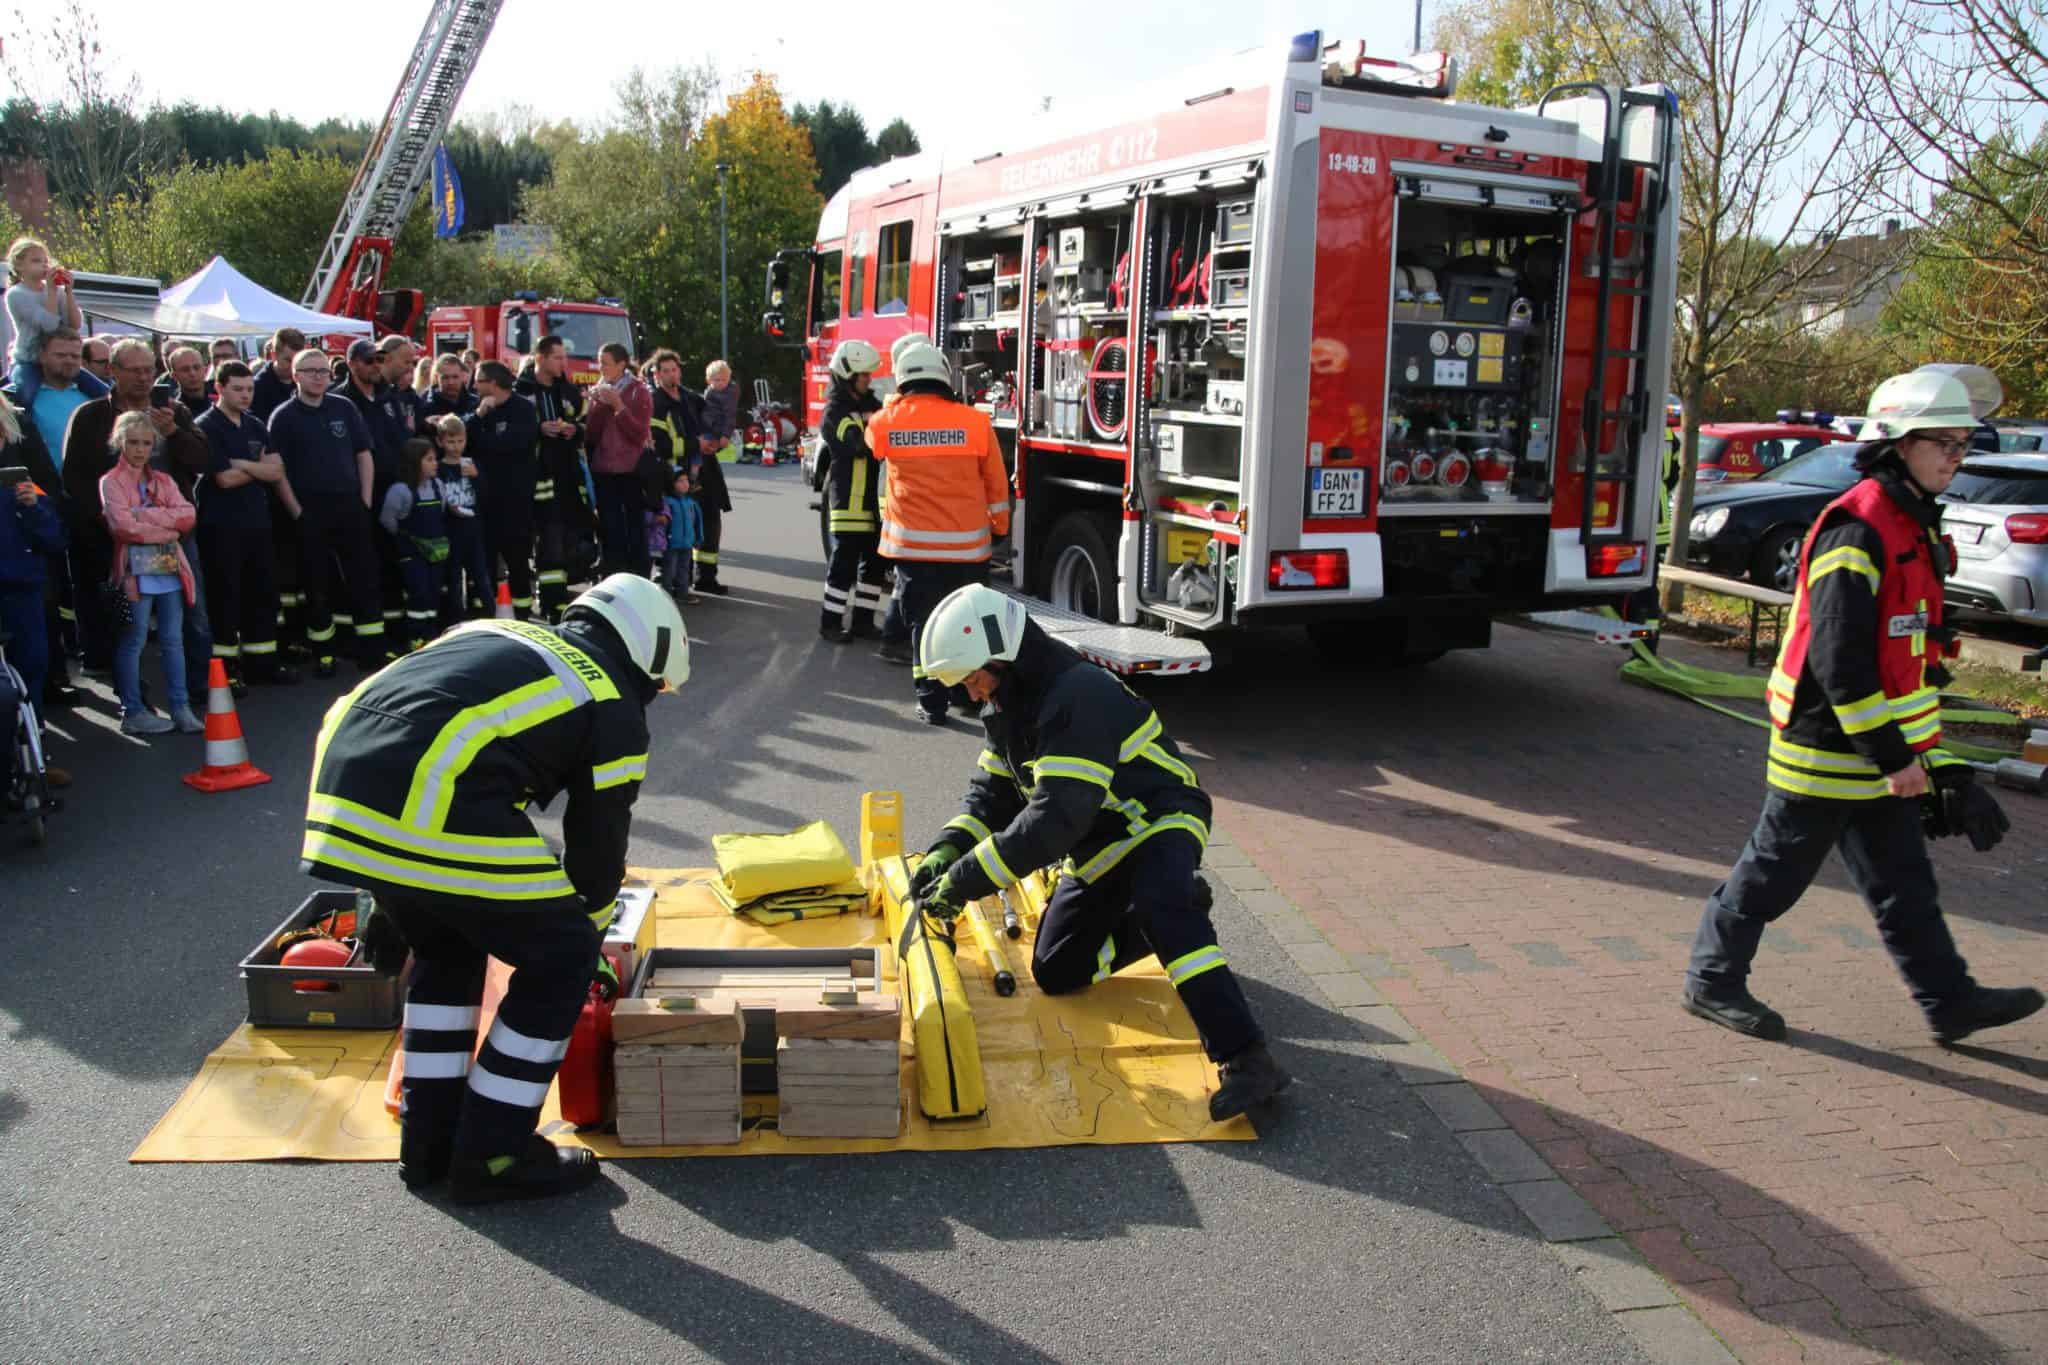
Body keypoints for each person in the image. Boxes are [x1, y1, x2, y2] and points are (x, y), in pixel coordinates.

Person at [301, 573, 688, 1203]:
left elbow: (419, 709)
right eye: (658, 687)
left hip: (343, 779)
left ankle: (428, 1145)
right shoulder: (608, 694)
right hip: (433, 791)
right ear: (651, 652)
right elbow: (597, 840)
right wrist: (587, 936)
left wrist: (383, 899)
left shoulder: (497, 632)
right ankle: (494, 1154)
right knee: (560, 958)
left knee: (448, 945)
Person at [1683, 370, 2044, 1045]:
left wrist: (1939, 765)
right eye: (1945, 443)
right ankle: (1711, 980)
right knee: (1771, 878)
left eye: (1964, 444)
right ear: (1899, 445)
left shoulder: (1911, 524)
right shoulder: (1857, 532)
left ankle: (1950, 1002)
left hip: (1878, 760)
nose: (1957, 457)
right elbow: (1841, 666)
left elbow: (1907, 666)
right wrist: (1898, 759)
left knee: (1905, 887)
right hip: (1825, 753)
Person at [910, 583, 1290, 1117]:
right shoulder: (1008, 705)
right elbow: (992, 796)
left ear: (1005, 658)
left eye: (974, 680)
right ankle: (1172, 912)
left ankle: (1247, 1058)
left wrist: (966, 881)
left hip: (1157, 817)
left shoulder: (1077, 696)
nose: (973, 696)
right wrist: (948, 850)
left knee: (1161, 902)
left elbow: (1054, 821)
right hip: (1101, 837)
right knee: (1057, 970)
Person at [865, 341, 1010, 725]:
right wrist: (999, 527)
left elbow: (872, 441)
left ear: (902, 380)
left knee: (924, 625)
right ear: (944, 377)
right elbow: (996, 483)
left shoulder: (886, 421)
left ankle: (931, 703)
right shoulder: (976, 422)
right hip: (968, 552)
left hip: (913, 550)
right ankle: (970, 695)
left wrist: (895, 402)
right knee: (970, 624)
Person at [63, 339, 208, 678]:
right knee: (129, 620)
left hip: (172, 538)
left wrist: (173, 432)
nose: (144, 378)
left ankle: (199, 682)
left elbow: (202, 461)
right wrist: (110, 519)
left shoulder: (175, 412)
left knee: (191, 611)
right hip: (120, 538)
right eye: (135, 371)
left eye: (149, 370)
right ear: (113, 371)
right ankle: (128, 686)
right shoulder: (91, 416)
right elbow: (75, 478)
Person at [265, 346, 384, 676]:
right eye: (310, 371)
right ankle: (325, 652)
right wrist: (297, 511)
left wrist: (365, 501)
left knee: (364, 578)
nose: (318, 377)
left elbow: (364, 455)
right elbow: (277, 470)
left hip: (349, 505)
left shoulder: (344, 407)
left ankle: (372, 650)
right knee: (316, 584)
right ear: (295, 376)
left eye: (323, 371)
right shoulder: (283, 417)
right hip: (309, 510)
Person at [194, 361, 297, 691]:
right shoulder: (206, 427)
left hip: (257, 523)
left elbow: (277, 470)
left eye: (250, 389)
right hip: (221, 526)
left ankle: (262, 662)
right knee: (226, 596)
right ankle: (226, 668)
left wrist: (243, 464)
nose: (245, 395)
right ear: (219, 388)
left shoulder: (255, 425)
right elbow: (223, 479)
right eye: (237, 389)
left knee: (262, 593)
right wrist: (257, 467)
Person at [99, 411, 202, 735]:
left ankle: (181, 707)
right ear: (120, 443)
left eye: (146, 443)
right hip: (135, 571)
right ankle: (133, 711)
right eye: (133, 442)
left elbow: (187, 515)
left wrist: (144, 516)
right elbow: (122, 527)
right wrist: (166, 526)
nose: (140, 450)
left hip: (168, 567)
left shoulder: (163, 480)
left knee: (173, 640)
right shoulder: (110, 481)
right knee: (134, 640)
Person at [816, 340, 889, 643]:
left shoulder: (872, 405)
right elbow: (857, 444)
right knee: (843, 567)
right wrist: (876, 424)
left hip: (872, 502)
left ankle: (863, 622)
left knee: (874, 564)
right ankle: (830, 623)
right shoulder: (834, 411)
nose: (868, 379)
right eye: (864, 375)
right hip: (848, 501)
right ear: (848, 375)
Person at [1, 457, 67, 784]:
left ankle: (34, 758)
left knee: (31, 669)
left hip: (22, 593)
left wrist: (33, 509)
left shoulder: (22, 485)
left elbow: (55, 540)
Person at [516, 335, 589, 619]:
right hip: (533, 478)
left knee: (561, 540)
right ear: (540, 358)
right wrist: (538, 430)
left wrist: (574, 430)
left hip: (565, 477)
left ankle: (556, 602)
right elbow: (512, 430)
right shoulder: (521, 391)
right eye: (558, 357)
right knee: (541, 541)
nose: (564, 363)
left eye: (564, 357)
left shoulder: (567, 391)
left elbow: (584, 422)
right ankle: (540, 603)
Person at [466, 361, 542, 619]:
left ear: (493, 383)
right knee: (484, 564)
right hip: (484, 502)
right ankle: (485, 616)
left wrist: (484, 443)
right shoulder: (478, 408)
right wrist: (478, 416)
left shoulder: (523, 409)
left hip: (514, 502)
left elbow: (509, 446)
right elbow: (464, 439)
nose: (474, 385)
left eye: (479, 381)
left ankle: (522, 616)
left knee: (517, 562)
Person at [5, 237, 107, 409]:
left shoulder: (56, 290)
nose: (44, 265)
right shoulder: (16, 294)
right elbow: (49, 326)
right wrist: (51, 291)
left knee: (102, 391)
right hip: (29, 359)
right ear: (19, 266)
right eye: (36, 261)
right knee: (25, 394)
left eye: (46, 261)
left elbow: (74, 324)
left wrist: (68, 291)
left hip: (60, 358)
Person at [380, 439, 460, 651]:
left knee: (433, 593)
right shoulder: (400, 491)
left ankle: (430, 634)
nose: (435, 463)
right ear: (414, 462)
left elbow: (441, 512)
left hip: (436, 554)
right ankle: (414, 637)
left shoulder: (438, 486)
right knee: (419, 593)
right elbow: (388, 520)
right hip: (411, 554)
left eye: (435, 459)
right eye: (429, 459)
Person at [584, 342, 653, 577]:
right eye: (599, 363)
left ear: (621, 365)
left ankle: (638, 576)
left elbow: (638, 433)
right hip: (603, 468)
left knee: (634, 525)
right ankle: (611, 573)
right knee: (608, 526)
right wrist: (596, 406)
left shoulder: (638, 391)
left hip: (630, 469)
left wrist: (618, 405)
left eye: (605, 363)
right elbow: (592, 434)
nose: (600, 368)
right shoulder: (600, 388)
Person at [429, 413, 492, 619]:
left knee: (481, 576)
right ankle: (456, 619)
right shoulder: (438, 468)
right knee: (453, 579)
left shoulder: (471, 464)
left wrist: (477, 477)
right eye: (450, 442)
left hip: (473, 529)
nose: (456, 447)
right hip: (451, 530)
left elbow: (485, 495)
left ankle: (492, 615)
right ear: (440, 441)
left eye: (460, 441)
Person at [661, 466, 701, 602]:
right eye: (680, 481)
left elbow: (697, 522)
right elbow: (664, 525)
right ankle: (666, 595)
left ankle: (682, 593)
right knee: (669, 571)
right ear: (672, 484)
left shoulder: (690, 502)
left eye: (686, 480)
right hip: (671, 543)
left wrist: (698, 538)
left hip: (687, 543)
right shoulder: (668, 502)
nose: (685, 484)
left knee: (684, 570)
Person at [250, 329, 306, 423]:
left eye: (298, 361)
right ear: (274, 355)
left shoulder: (305, 382)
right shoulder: (257, 388)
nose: (294, 366)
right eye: (288, 360)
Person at [153, 345, 216, 419]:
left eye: (196, 367)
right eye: (185, 369)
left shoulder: (219, 405)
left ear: (204, 370)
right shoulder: (171, 415)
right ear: (174, 376)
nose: (192, 373)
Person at [424, 355, 477, 422]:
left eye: (455, 377)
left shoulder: (475, 403)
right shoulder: (425, 406)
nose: (450, 382)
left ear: (462, 376)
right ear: (437, 378)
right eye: (445, 377)